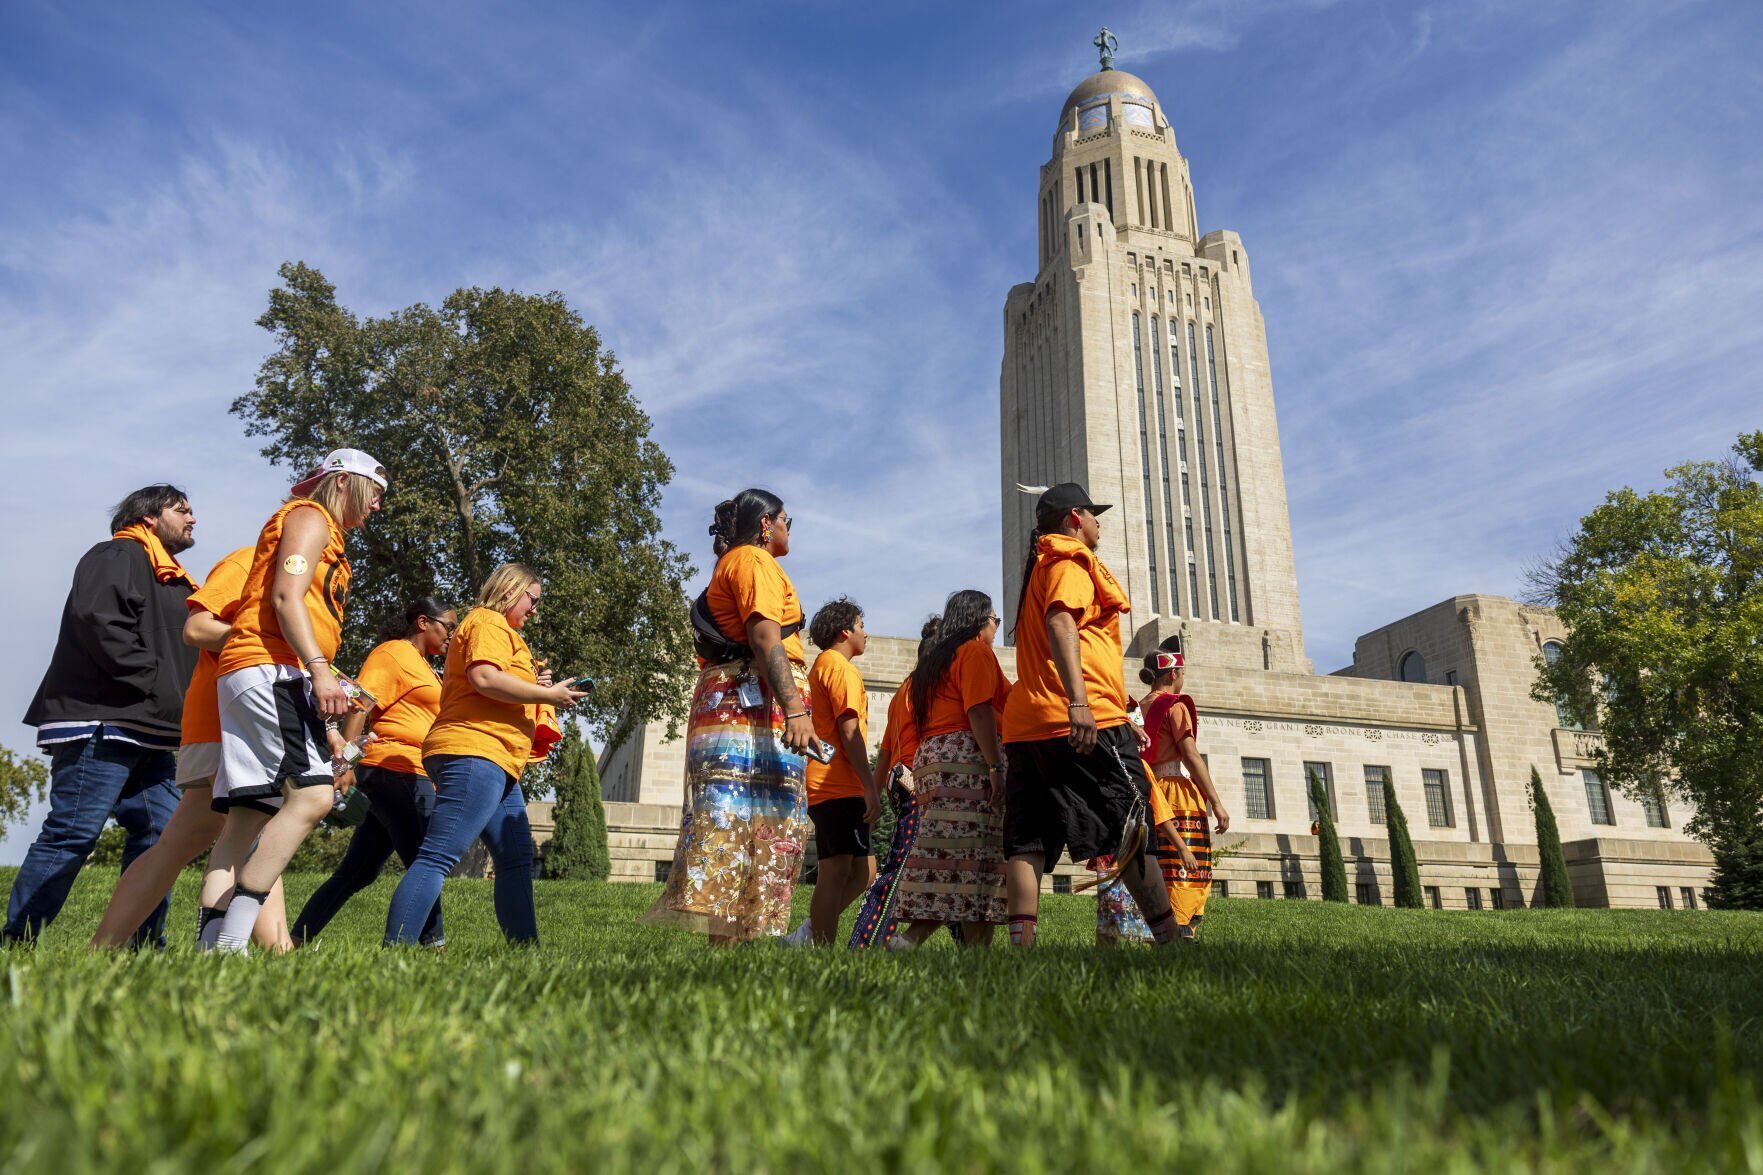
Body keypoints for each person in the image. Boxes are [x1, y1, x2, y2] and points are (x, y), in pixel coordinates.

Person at [200, 449, 388, 952]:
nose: (377, 508)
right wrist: (320, 670)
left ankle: (207, 950)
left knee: (246, 819)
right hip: (268, 667)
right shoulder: (310, 517)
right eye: (376, 494)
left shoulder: (323, 530)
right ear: (344, 482)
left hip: (257, 671)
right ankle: (231, 943)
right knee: (313, 795)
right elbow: (287, 596)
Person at [5, 485, 199, 947]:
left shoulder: (170, 574)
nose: (193, 518)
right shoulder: (118, 555)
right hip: (103, 719)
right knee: (74, 831)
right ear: (149, 517)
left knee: (160, 837)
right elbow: (101, 621)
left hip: (152, 728)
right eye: (182, 509)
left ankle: (141, 944)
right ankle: (17, 942)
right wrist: (155, 681)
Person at [1000, 482, 1184, 948]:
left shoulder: (1038, 567)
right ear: (1074, 518)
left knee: (1028, 839)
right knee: (1132, 828)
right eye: (1094, 515)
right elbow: (1062, 622)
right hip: (1083, 719)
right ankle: (1170, 941)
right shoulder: (1068, 560)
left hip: (1027, 725)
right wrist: (1078, 703)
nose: (1099, 524)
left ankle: (1020, 950)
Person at [89, 545, 290, 950]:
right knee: (256, 829)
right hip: (229, 720)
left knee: (186, 841)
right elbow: (196, 629)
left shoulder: (302, 571)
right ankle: (276, 950)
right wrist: (266, 642)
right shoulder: (250, 561)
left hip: (232, 720)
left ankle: (102, 949)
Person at [646, 488, 814, 944]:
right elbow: (764, 639)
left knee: (741, 827)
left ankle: (734, 955)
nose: (787, 529)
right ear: (766, 524)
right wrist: (795, 709)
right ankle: (732, 953)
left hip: (738, 707)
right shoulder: (755, 562)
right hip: (748, 711)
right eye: (786, 521)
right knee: (748, 827)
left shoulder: (738, 563)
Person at [384, 566, 582, 946]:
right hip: (474, 750)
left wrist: (533, 687)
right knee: (439, 855)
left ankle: (526, 953)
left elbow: (493, 679)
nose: (535, 610)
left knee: (516, 856)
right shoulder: (489, 621)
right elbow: (485, 679)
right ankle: (394, 953)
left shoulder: (502, 632)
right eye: (533, 600)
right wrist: (547, 695)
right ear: (511, 590)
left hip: (498, 757)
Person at [291, 597, 457, 948]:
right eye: (449, 627)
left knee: (358, 872)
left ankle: (293, 940)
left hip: (410, 773)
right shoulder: (392, 653)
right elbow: (359, 704)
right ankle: (432, 948)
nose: (452, 635)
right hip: (392, 770)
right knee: (426, 861)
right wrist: (344, 764)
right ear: (424, 622)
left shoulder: (427, 667)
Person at [888, 591, 1012, 948]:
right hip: (966, 759)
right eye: (994, 620)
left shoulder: (935, 661)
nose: (995, 628)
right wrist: (994, 766)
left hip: (934, 759)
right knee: (971, 856)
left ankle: (973, 952)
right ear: (978, 620)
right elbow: (978, 710)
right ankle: (910, 941)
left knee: (955, 854)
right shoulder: (973, 652)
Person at [1095, 649, 1221, 944]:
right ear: (1173, 674)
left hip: (1142, 786)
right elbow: (1189, 754)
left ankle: (1155, 927)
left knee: (1153, 862)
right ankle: (1181, 927)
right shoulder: (1175, 706)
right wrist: (1214, 799)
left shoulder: (1137, 710)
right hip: (1174, 791)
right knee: (1182, 864)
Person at [784, 598, 880, 946]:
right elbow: (849, 730)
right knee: (837, 872)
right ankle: (818, 946)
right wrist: (870, 787)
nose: (865, 634)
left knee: (863, 872)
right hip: (837, 785)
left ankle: (808, 933)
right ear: (845, 631)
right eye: (860, 626)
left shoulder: (824, 665)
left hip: (835, 786)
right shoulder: (839, 668)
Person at [849, 617, 944, 949]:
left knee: (948, 867)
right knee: (900, 870)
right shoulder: (926, 689)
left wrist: (874, 794)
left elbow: (887, 749)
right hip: (919, 786)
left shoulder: (904, 689)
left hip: (903, 783)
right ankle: (867, 941)